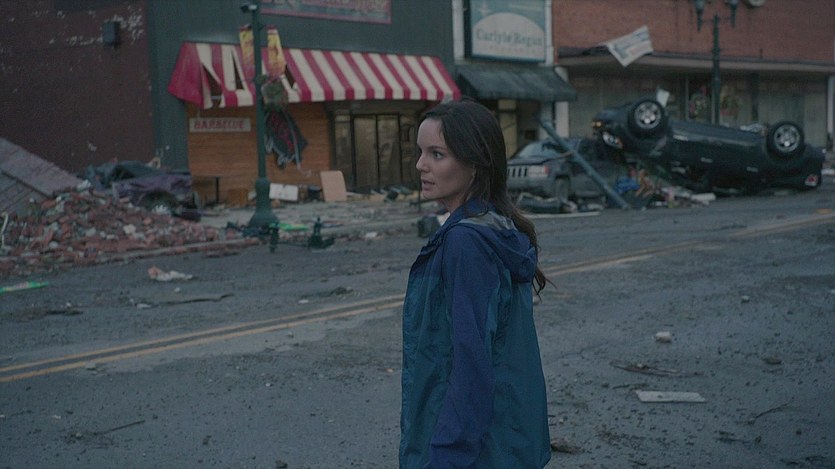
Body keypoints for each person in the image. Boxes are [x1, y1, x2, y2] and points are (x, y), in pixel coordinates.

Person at [399, 99, 551, 468]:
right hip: (502, 437)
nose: (421, 165)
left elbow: (470, 363)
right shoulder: (495, 226)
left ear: (474, 165)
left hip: (476, 449)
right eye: (421, 152)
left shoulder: (466, 243)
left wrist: (446, 455)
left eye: (437, 154)